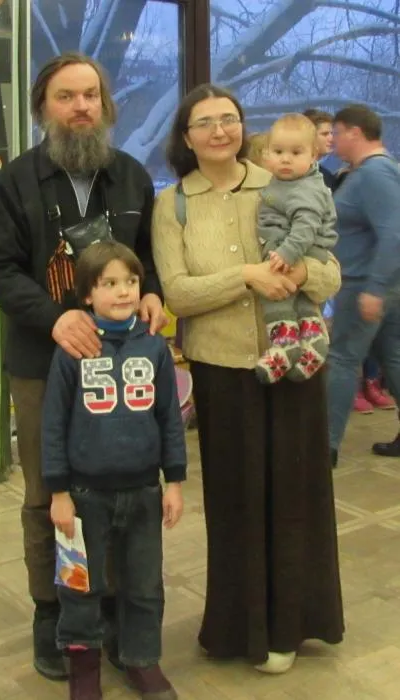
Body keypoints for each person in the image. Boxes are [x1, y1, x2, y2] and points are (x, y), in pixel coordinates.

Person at [0, 52, 166, 681]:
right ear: (43, 108)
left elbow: (147, 260)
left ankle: (110, 611)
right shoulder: (16, 181)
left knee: (116, 491)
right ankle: (51, 611)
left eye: (91, 95)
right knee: (48, 495)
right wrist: (55, 319)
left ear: (105, 105)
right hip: (42, 363)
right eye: (66, 96)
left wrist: (152, 292)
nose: (81, 106)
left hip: (120, 364)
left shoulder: (133, 177)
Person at [152, 83, 344, 675]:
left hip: (295, 363)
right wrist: (247, 276)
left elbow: (332, 273)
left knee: (296, 497)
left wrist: (302, 272)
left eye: (229, 119)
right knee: (236, 502)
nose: (219, 130)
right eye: (204, 122)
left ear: (242, 127)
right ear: (186, 137)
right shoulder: (173, 205)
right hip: (222, 371)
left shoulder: (284, 179)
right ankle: (240, 628)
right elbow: (178, 292)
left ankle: (293, 627)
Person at [42, 240, 185, 700]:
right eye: (109, 283)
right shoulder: (71, 352)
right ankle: (84, 671)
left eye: (131, 281)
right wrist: (59, 493)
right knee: (79, 586)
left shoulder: (155, 347)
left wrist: (174, 482)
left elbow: (169, 417)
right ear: (87, 293)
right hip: (84, 496)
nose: (123, 292)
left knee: (144, 585)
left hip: (144, 492)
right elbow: (53, 425)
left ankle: (142, 661)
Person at [327, 104, 400, 468]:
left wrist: (374, 287)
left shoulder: (375, 174)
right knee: (394, 358)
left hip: (365, 285)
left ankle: (324, 448)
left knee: (341, 360)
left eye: (336, 133)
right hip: (380, 284)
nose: (332, 140)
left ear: (354, 132)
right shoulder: (369, 172)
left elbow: (394, 232)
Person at [255, 113, 337, 384]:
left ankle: (285, 344)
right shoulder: (286, 182)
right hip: (298, 250)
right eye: (278, 152)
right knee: (302, 302)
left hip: (298, 251)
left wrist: (286, 253)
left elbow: (306, 226)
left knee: (275, 293)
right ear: (266, 154)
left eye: (295, 152)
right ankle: (313, 340)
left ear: (314, 155)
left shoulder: (305, 189)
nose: (286, 159)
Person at [303, 109, 336, 189]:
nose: (332, 139)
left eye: (332, 133)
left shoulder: (327, 176)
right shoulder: (294, 172)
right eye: (325, 134)